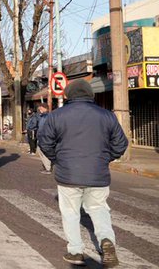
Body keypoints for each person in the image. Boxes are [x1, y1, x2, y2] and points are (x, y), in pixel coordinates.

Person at [38, 79, 128, 267]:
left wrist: (58, 159)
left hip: (68, 175)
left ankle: (76, 252)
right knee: (99, 209)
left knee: (70, 213)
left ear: (69, 95)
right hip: (98, 173)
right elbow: (121, 143)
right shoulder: (107, 116)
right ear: (90, 95)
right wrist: (105, 158)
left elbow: (44, 142)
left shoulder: (57, 116)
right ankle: (107, 242)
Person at [31, 104, 53, 174]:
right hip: (42, 137)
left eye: (40, 109)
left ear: (44, 108)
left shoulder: (47, 117)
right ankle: (46, 166)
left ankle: (48, 168)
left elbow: (44, 128)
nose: (39, 110)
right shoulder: (43, 116)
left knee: (44, 152)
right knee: (41, 151)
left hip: (45, 137)